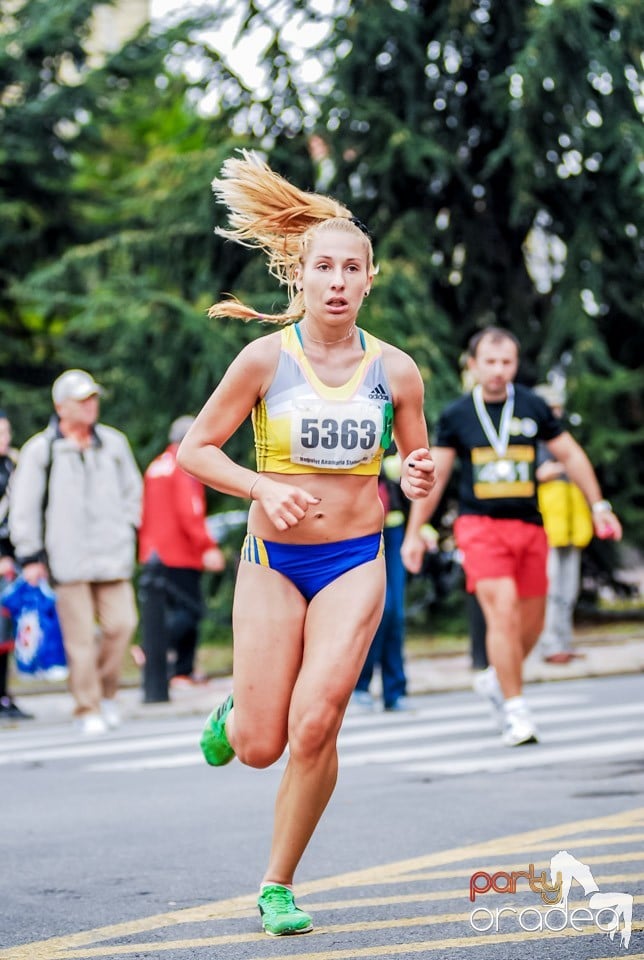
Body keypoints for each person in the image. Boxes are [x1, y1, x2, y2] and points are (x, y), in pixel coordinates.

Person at [177, 150, 436, 937]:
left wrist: (417, 481)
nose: (335, 280)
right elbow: (197, 449)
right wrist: (261, 486)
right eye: (322, 266)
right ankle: (236, 712)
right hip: (273, 561)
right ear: (302, 274)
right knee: (260, 745)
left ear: (367, 279)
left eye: (349, 268)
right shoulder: (265, 358)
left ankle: (278, 885)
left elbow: (413, 461)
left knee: (317, 721)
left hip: (357, 558)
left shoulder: (397, 370)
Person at [401, 326, 621, 747]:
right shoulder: (457, 415)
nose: (499, 371)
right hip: (479, 528)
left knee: (531, 625)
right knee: (500, 612)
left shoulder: (534, 405)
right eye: (490, 362)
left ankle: (493, 677)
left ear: (515, 365)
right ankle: (516, 711)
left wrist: (599, 506)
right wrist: (415, 532)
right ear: (473, 365)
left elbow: (570, 454)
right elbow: (440, 475)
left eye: (507, 362)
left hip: (530, 528)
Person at [9, 369, 142, 734]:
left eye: (93, 398)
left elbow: (134, 491)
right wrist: (30, 556)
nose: (91, 406)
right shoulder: (42, 449)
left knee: (122, 625)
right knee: (79, 639)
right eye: (82, 400)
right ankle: (87, 707)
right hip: (66, 559)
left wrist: (127, 526)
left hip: (112, 555)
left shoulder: (113, 443)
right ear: (60, 406)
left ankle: (107, 693)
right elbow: (25, 506)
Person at [138, 415, 226, 697]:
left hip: (154, 552)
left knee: (175, 609)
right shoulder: (185, 464)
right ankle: (155, 650)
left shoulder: (157, 464)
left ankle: (180, 670)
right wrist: (207, 547)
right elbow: (191, 512)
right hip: (180, 551)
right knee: (190, 610)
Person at [533, 383, 594, 664]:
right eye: (551, 406)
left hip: (570, 522)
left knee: (568, 589)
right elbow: (540, 473)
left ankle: (563, 641)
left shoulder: (562, 439)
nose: (555, 412)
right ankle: (548, 644)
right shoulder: (533, 442)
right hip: (547, 525)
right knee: (550, 587)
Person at [352, 445, 411, 712]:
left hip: (394, 531)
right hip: (359, 531)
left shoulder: (394, 452)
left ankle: (395, 691)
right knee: (376, 612)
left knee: (394, 613)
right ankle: (360, 686)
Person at [0, 411, 33, 721]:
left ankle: (4, 696)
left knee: (6, 636)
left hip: (11, 561)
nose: (4, 439)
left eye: (7, 432)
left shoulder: (13, 464)